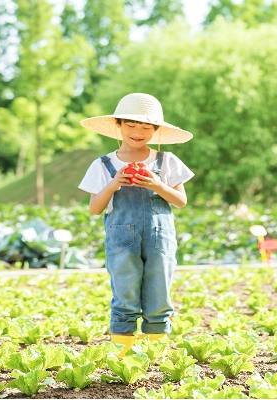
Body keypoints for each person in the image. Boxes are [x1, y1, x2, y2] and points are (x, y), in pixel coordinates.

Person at [78, 93, 194, 357]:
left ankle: (156, 357)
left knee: (159, 297)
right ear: (118, 125)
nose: (138, 132)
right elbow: (95, 208)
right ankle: (122, 359)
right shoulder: (104, 164)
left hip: (160, 241)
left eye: (145, 127)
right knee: (125, 297)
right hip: (121, 244)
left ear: (155, 130)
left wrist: (156, 184)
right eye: (130, 125)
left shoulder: (166, 162)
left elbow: (180, 201)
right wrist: (114, 183)